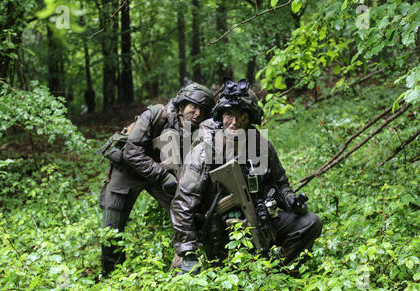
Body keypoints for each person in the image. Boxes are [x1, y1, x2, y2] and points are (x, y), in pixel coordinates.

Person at [170, 79, 322, 274]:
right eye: (228, 115)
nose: (233, 123)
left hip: (257, 219)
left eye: (240, 115)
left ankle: (278, 274)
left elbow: (280, 183)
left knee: (310, 223)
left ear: (250, 118)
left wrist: (290, 199)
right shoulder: (205, 149)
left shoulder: (260, 145)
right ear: (220, 115)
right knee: (192, 274)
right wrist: (187, 251)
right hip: (215, 229)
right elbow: (182, 203)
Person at [98, 83, 215, 275]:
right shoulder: (154, 114)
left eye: (202, 110)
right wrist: (161, 174)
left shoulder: (197, 130)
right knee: (111, 228)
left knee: (185, 210)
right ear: (181, 105)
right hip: (127, 171)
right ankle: (111, 274)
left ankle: (183, 265)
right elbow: (132, 152)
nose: (197, 113)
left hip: (161, 173)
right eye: (193, 107)